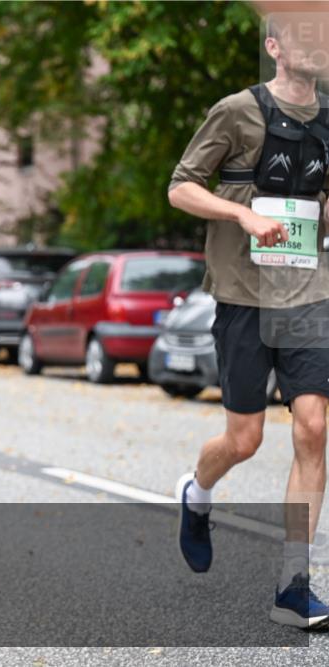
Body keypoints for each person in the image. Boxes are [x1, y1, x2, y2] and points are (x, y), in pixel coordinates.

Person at [168, 14, 329, 629]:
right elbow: (181, 188)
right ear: (275, 47)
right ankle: (197, 493)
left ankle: (294, 586)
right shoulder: (237, 110)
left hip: (309, 294)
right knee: (245, 440)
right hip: (243, 293)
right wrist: (243, 218)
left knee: (313, 428)